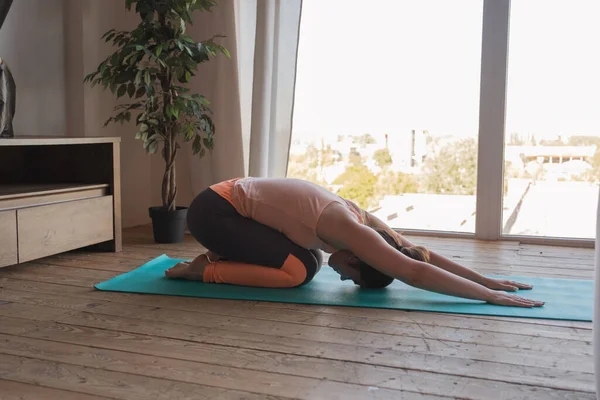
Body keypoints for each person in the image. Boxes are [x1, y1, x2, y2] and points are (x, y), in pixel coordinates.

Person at [166, 177, 544, 308]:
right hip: (214, 211)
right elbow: (414, 271)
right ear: (357, 257)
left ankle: (219, 254)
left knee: (311, 264)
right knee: (297, 271)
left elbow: (415, 253)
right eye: (354, 278)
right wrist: (488, 296)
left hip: (232, 207)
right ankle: (203, 270)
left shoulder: (366, 228)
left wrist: (486, 279)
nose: (345, 280)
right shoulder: (349, 230)